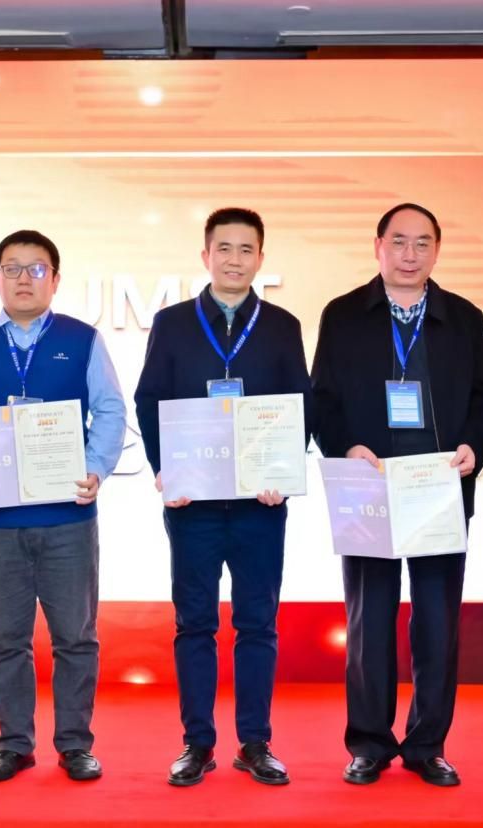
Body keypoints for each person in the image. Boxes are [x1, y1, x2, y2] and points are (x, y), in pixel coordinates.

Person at [312, 202, 483, 787]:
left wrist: (474, 446)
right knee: (368, 621)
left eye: (422, 243)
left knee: (437, 621)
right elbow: (322, 398)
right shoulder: (344, 315)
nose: (410, 254)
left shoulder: (463, 318)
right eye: (398, 241)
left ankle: (427, 744)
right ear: (378, 247)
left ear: (437, 251)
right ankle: (369, 743)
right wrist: (345, 447)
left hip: (440, 487)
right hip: (369, 485)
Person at [0, 230, 125, 782]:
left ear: (55, 280)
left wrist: (96, 469)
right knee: (5, 640)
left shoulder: (82, 339)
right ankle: (13, 744)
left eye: (36, 269)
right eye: (12, 268)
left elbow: (111, 409)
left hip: (68, 517)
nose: (24, 278)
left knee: (76, 637)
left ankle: (75, 744)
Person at [134, 207, 311, 787]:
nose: (235, 260)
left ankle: (255, 742)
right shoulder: (172, 323)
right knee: (195, 624)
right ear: (205, 255)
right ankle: (198, 743)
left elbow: (299, 404)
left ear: (261, 257)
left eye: (246, 249)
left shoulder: (282, 325)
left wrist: (283, 471)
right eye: (225, 249)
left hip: (261, 504)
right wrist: (167, 471)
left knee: (258, 623)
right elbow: (149, 399)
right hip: (195, 507)